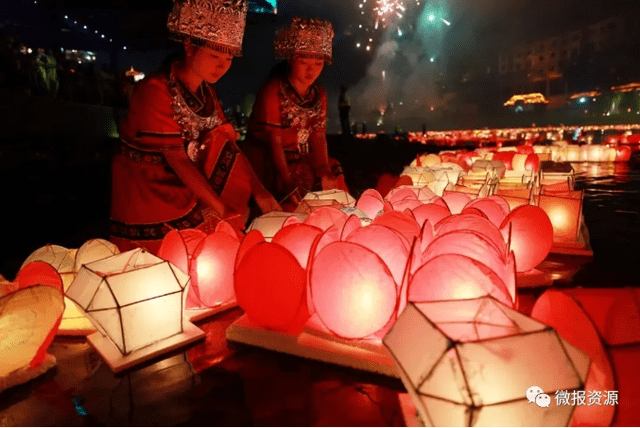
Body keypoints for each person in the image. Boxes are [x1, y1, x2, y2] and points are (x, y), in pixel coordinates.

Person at [110, 0, 280, 254]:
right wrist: (219, 208)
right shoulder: (155, 89)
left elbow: (228, 145)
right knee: (210, 230)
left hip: (189, 176)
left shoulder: (207, 93)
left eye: (229, 57)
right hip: (151, 186)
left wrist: (261, 192)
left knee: (224, 140)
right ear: (189, 46)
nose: (222, 65)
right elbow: (176, 158)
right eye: (214, 55)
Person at [242, 17, 349, 209]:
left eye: (318, 63)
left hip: (300, 157)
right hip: (269, 157)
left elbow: (318, 136)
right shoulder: (273, 89)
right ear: (291, 59)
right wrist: (287, 179)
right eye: (304, 62)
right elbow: (274, 142)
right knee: (293, 184)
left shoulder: (319, 94)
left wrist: (323, 168)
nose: (311, 70)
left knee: (333, 170)